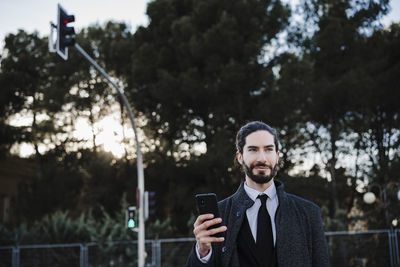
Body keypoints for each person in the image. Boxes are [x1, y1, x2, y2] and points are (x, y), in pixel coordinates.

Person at [185, 121, 330, 267]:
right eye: (253, 149)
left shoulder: (309, 212)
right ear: (240, 157)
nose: (262, 158)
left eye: (268, 149)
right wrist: (202, 253)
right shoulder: (218, 216)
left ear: (277, 155)